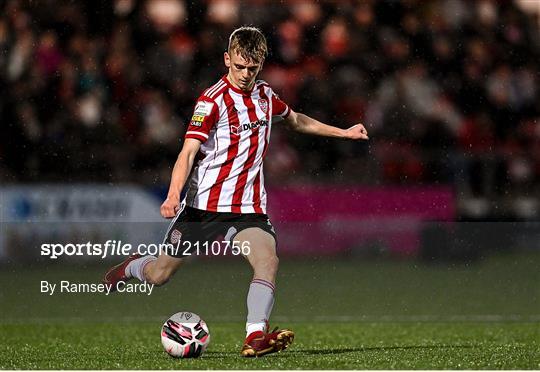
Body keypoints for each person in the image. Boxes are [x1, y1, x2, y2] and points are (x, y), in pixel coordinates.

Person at [103, 26, 369, 357]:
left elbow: (296, 119)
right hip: (203, 209)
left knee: (267, 260)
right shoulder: (210, 101)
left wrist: (343, 133)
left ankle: (255, 336)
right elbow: (187, 153)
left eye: (252, 68)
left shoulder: (265, 96)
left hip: (248, 210)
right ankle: (131, 267)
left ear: (261, 64)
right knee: (159, 275)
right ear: (227, 59)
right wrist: (173, 196)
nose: (245, 74)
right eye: (239, 66)